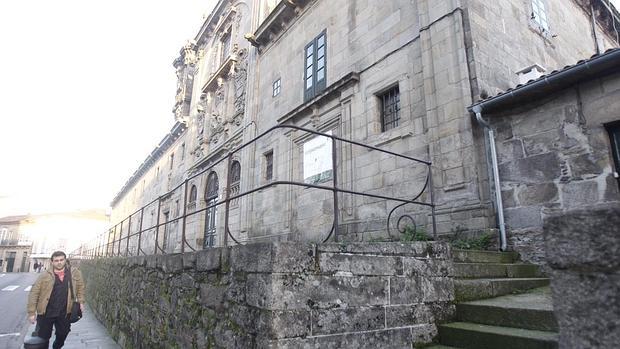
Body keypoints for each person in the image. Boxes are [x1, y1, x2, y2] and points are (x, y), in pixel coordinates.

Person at [27, 251, 85, 349]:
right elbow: (34, 293)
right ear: (52, 262)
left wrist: (81, 302)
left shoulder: (75, 273)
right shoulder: (44, 275)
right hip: (46, 311)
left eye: (61, 260)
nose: (59, 262)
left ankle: (56, 347)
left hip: (65, 312)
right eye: (56, 260)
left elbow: (80, 287)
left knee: (63, 333)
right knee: (43, 337)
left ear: (65, 260)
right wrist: (31, 312)